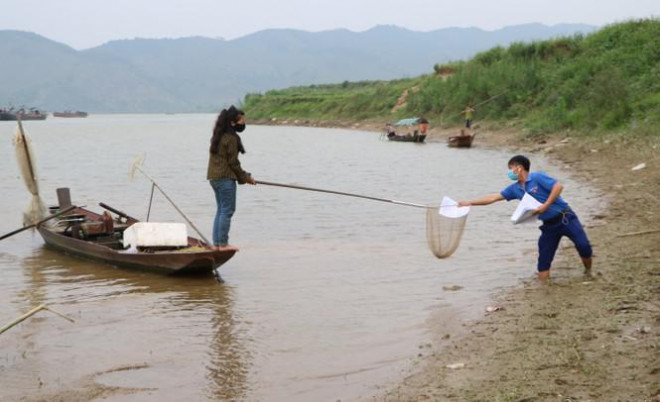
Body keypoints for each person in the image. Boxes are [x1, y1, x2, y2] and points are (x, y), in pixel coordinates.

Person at [458, 155, 593, 280]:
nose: (509, 172)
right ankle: (545, 288)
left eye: (510, 168)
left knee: (583, 246)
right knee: (543, 262)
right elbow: (494, 197)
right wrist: (470, 202)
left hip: (566, 217)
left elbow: (558, 186)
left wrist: (546, 205)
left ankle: (588, 271)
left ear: (519, 167)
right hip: (548, 225)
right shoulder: (514, 189)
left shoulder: (537, 177)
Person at [207, 105, 255, 251]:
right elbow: (233, 163)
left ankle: (217, 244)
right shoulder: (231, 139)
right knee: (227, 211)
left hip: (214, 178)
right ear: (233, 123)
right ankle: (223, 244)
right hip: (225, 179)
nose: (243, 124)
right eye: (241, 121)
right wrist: (246, 178)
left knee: (221, 210)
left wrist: (244, 177)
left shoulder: (218, 136)